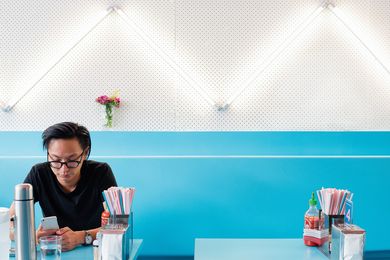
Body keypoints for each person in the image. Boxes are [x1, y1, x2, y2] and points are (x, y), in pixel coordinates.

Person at [9, 122, 117, 251]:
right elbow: (9, 225)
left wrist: (80, 237)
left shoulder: (101, 172)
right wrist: (34, 236)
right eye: (55, 160)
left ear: (85, 153)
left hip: (97, 249)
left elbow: (118, 225)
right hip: (56, 251)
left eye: (71, 161)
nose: (63, 169)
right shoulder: (39, 174)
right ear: (48, 154)